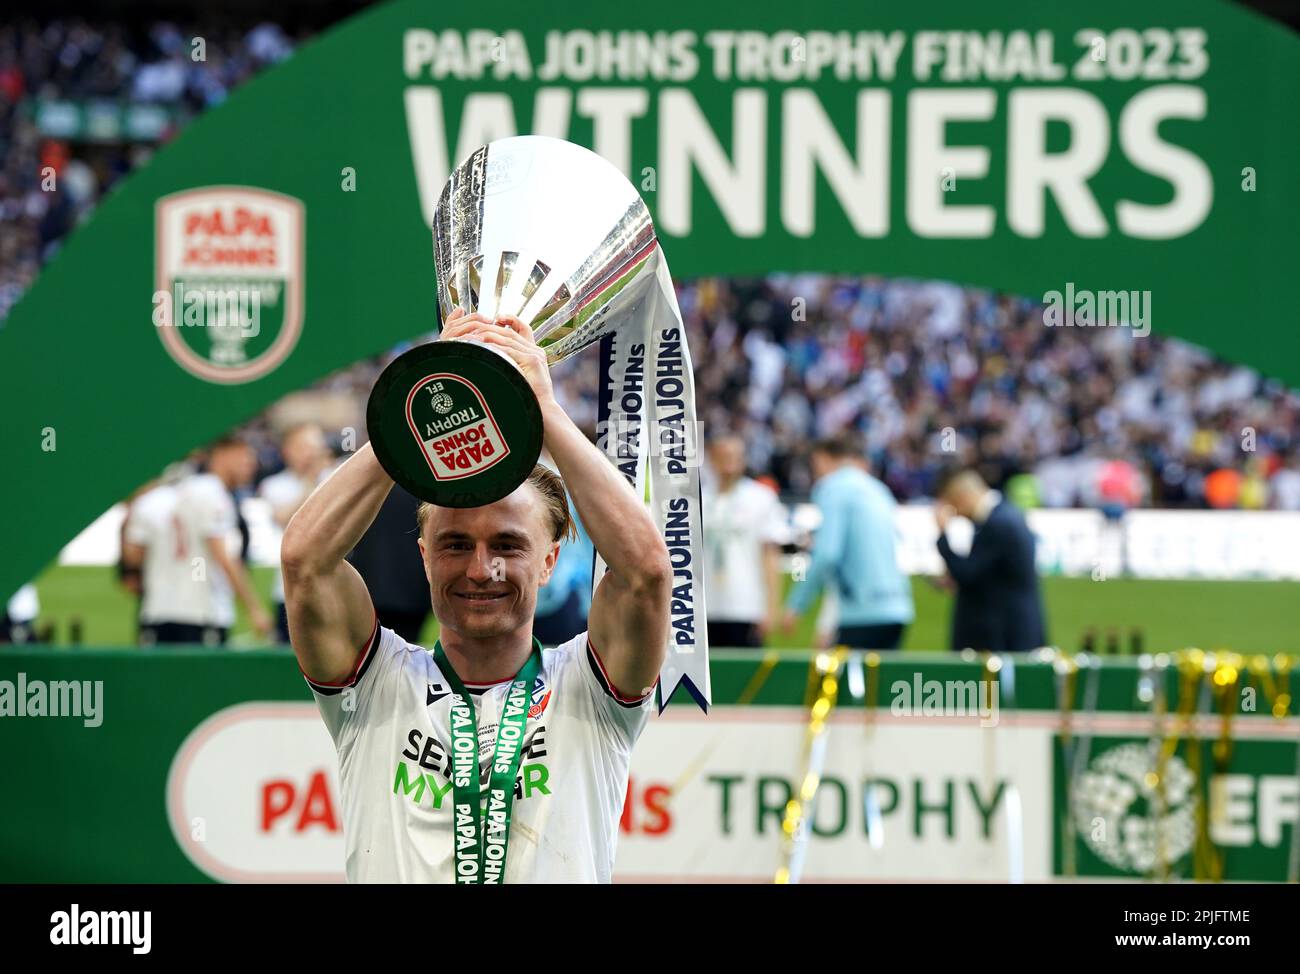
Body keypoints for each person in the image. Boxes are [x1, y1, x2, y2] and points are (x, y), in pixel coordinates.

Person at [281, 309, 671, 884]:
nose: (480, 569)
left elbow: (646, 574)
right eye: (455, 544)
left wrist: (544, 411)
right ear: (423, 555)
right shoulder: (376, 685)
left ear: (549, 561)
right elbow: (305, 563)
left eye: (509, 546)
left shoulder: (589, 690)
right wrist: (413, 406)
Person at [783, 436, 914, 649]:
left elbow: (827, 554)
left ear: (824, 459)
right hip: (897, 607)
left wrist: (796, 605)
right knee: (877, 680)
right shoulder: (879, 490)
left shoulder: (833, 488)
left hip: (860, 609)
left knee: (842, 680)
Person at [140, 437, 272, 646]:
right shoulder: (213, 493)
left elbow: (136, 551)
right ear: (221, 454)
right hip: (201, 613)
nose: (251, 465)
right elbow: (223, 556)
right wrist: (254, 608)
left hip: (159, 609)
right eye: (245, 457)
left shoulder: (173, 493)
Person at [933, 467, 1047, 652]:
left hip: (1007, 635)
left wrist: (943, 537)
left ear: (963, 497)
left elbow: (968, 574)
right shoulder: (1005, 516)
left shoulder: (997, 524)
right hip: (1015, 629)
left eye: (955, 506)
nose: (958, 515)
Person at [702, 435, 785, 648]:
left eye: (735, 457)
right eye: (723, 456)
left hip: (746, 605)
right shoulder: (699, 498)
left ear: (743, 460)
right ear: (711, 459)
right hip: (705, 607)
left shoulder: (761, 497)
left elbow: (770, 554)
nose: (729, 463)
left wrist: (772, 606)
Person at [259, 423, 333, 642]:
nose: (310, 454)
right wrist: (311, 480)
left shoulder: (334, 476)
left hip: (330, 586)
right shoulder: (274, 485)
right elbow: (286, 519)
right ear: (287, 451)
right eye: (303, 447)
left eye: (314, 447)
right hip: (288, 589)